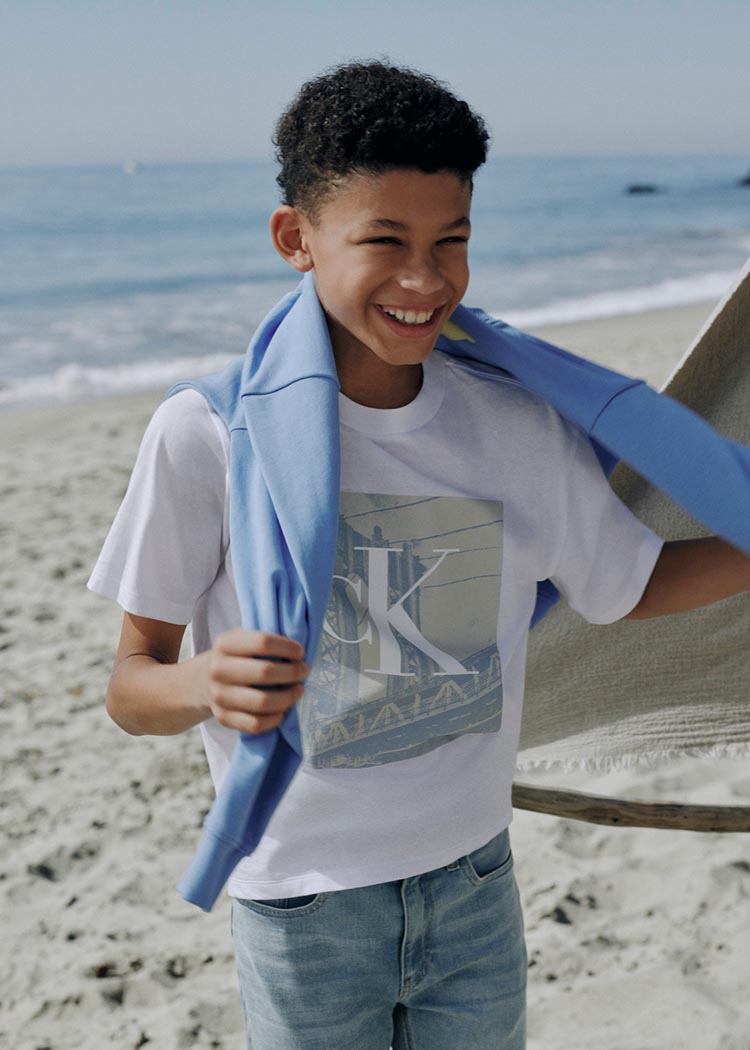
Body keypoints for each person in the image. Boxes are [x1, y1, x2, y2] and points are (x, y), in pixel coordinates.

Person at [88, 61, 750, 1050]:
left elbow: (631, 581)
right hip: (304, 908)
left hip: (473, 881)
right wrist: (204, 685)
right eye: (384, 242)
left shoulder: (514, 422)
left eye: (453, 243)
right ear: (295, 239)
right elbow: (131, 684)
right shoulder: (209, 435)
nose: (426, 280)